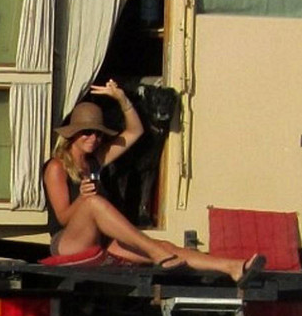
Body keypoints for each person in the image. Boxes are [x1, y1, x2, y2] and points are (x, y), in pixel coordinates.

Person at [43, 80, 263, 282]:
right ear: (73, 134)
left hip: (100, 238)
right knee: (94, 203)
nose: (93, 138)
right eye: (87, 132)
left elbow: (135, 131)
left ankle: (233, 267)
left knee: (165, 247)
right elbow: (62, 218)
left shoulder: (95, 161)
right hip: (66, 243)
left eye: (98, 134)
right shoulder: (57, 166)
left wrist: (122, 99)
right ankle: (155, 253)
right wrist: (82, 198)